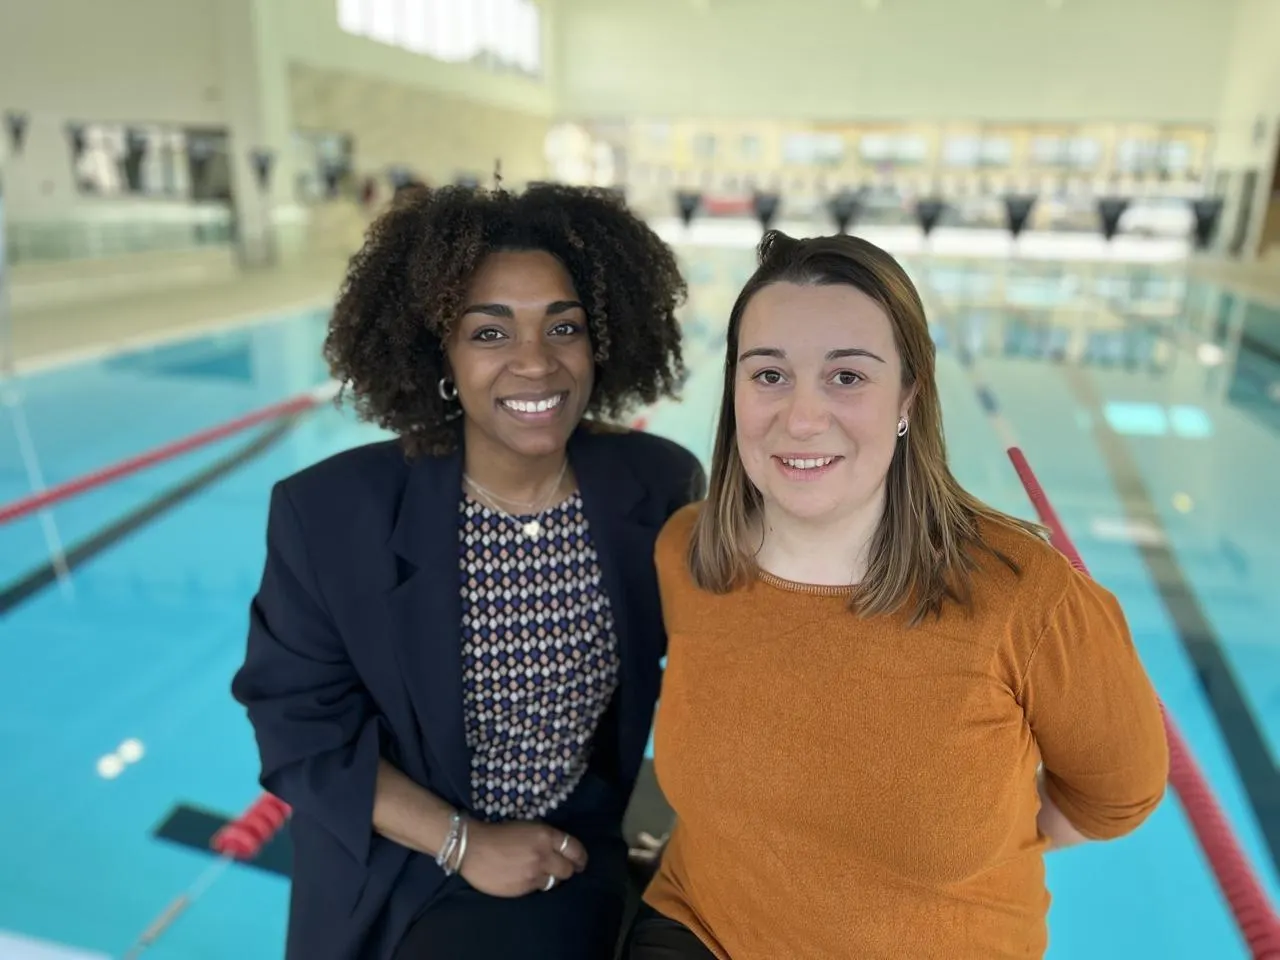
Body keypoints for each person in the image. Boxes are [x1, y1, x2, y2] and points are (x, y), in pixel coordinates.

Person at [625, 231, 1169, 960]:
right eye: (769, 374)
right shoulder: (689, 553)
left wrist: (976, 840)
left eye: (847, 376)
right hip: (706, 929)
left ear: (908, 396)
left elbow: (1117, 793)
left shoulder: (1024, 600)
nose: (802, 418)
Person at [231, 182, 705, 960]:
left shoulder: (655, 485)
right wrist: (464, 842)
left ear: (601, 342)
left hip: (564, 847)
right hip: (394, 860)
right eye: (490, 333)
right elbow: (297, 728)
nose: (536, 362)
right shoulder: (332, 514)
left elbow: (721, 647)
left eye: (564, 327)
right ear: (440, 355)